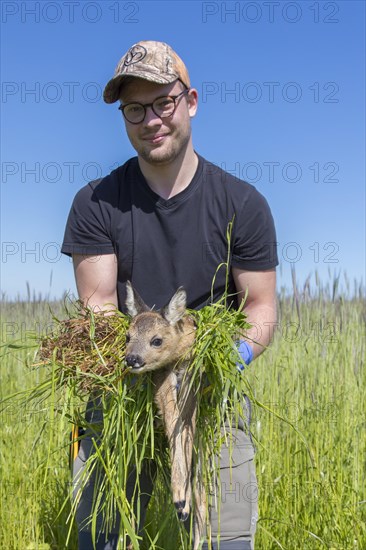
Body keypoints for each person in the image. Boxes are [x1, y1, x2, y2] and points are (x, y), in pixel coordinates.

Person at [61, 40, 278, 550]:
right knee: (102, 534)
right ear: (123, 117)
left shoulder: (242, 204)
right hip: (123, 387)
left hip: (210, 394)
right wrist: (141, 366)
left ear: (192, 101)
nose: (150, 119)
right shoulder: (96, 203)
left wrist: (230, 356)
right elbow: (98, 309)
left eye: (163, 101)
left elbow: (261, 307)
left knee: (225, 538)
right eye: (134, 108)